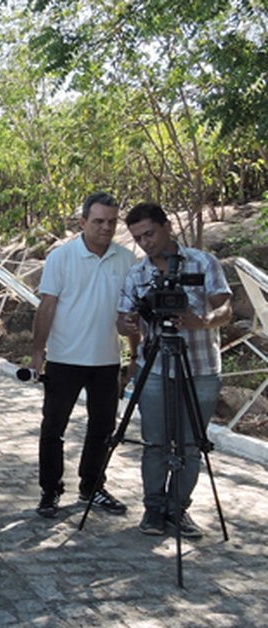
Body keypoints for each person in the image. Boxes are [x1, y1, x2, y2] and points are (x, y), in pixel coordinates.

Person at [116, 202, 231, 538]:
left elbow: (224, 305)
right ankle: (153, 510)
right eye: (138, 238)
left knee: (191, 444)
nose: (145, 243)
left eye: (150, 233)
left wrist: (204, 320)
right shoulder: (137, 274)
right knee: (155, 443)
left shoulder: (202, 261)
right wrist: (127, 324)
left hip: (201, 366)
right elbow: (124, 325)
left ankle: (177, 509)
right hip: (153, 368)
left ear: (167, 226)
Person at [30, 192, 137, 519]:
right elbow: (47, 306)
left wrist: (134, 356)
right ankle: (50, 491)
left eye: (112, 222)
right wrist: (37, 353)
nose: (106, 228)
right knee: (53, 428)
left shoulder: (126, 259)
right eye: (98, 221)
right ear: (82, 222)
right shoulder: (62, 258)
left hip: (106, 361)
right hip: (64, 360)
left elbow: (130, 313)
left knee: (102, 429)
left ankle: (92, 486)